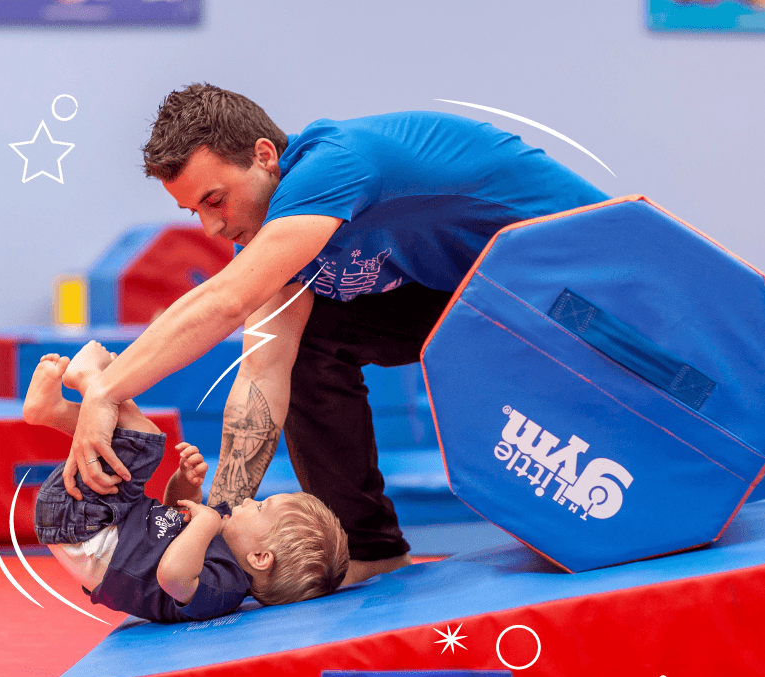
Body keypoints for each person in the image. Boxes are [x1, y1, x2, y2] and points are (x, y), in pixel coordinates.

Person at [63, 84, 610, 585]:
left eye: (215, 200)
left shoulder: (335, 163)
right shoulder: (278, 234)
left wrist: (105, 390)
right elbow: (261, 371)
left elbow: (226, 301)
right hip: (488, 293)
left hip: (587, 281)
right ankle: (371, 549)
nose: (212, 227)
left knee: (300, 323)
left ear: (265, 156)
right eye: (194, 212)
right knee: (305, 342)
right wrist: (221, 527)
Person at [24, 341, 348, 623]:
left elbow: (172, 576)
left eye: (261, 507)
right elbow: (171, 514)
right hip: (104, 520)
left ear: (260, 557)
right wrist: (185, 484)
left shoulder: (226, 587)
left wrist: (205, 521)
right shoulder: (224, 537)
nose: (251, 500)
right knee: (133, 441)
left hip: (88, 529)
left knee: (144, 439)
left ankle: (91, 379)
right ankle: (53, 411)